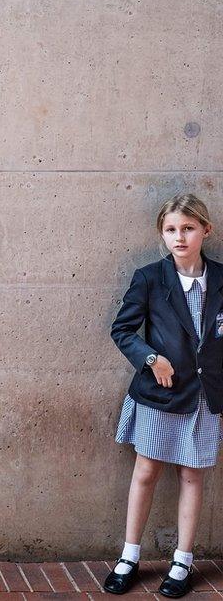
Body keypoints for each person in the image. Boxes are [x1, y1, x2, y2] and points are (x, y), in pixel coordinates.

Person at [105, 194, 223, 598]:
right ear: (162, 234)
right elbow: (122, 331)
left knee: (192, 476)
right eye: (171, 229)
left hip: (205, 398)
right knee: (146, 472)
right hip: (161, 395)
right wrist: (152, 358)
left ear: (206, 230)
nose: (180, 236)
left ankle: (183, 561)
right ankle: (129, 556)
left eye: (188, 228)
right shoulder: (150, 278)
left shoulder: (222, 279)